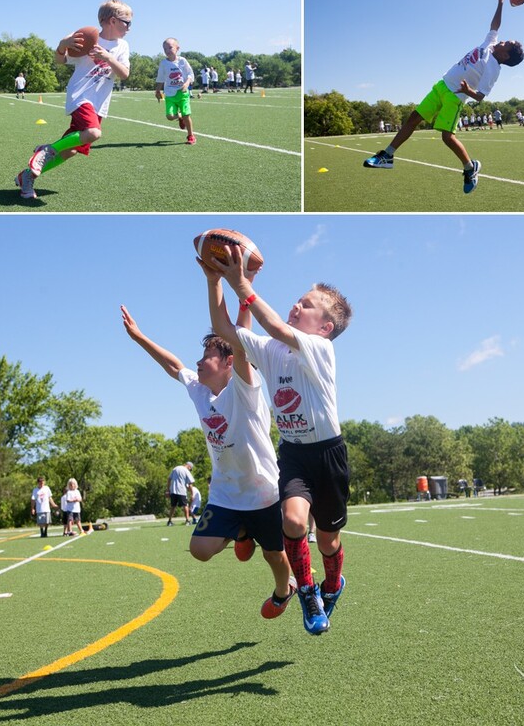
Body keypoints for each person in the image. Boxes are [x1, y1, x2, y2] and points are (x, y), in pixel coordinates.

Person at [205, 244, 353, 636]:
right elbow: (225, 331)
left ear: (325, 327)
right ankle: (306, 592)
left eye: (306, 304)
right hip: (294, 455)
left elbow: (272, 326)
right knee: (291, 519)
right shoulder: (271, 350)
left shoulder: (320, 349)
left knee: (327, 541)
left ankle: (333, 584)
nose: (296, 305)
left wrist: (243, 286)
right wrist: (213, 281)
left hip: (328, 456)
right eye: (298, 300)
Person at [121, 301, 296, 620]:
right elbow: (173, 365)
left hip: (263, 493)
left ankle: (284, 592)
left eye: (206, 357)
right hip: (226, 494)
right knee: (200, 550)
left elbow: (241, 340)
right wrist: (139, 336)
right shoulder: (199, 390)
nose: (198, 362)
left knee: (275, 555)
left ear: (229, 362)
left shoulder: (246, 388)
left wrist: (221, 280)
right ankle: (242, 532)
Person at [363, 0, 524, 195]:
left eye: (506, 43)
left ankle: (470, 168)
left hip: (455, 97)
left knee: (447, 137)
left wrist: (468, 90)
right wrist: (501, 3)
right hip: (441, 85)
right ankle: (387, 155)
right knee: (413, 117)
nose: (502, 40)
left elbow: (482, 96)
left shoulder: (493, 69)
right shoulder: (490, 44)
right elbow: (495, 26)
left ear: (506, 56)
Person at [15, 0, 132, 200]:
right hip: (81, 96)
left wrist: (109, 58)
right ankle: (47, 150)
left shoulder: (123, 46)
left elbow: (124, 74)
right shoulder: (86, 37)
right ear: (112, 21)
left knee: (70, 151)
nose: (130, 27)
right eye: (127, 22)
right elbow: (60, 60)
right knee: (94, 133)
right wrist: (62, 45)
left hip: (99, 103)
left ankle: (26, 177)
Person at [155, 38, 196, 145]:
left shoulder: (182, 61)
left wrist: (187, 84)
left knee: (187, 115)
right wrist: (158, 90)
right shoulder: (164, 63)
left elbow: (190, 75)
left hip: (182, 93)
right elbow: (160, 78)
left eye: (170, 47)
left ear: (177, 48)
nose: (167, 50)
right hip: (169, 94)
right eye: (165, 49)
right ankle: (179, 117)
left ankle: (191, 136)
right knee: (169, 116)